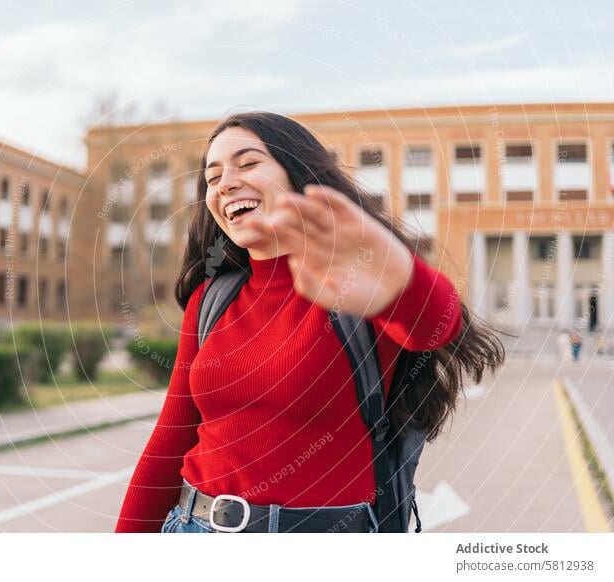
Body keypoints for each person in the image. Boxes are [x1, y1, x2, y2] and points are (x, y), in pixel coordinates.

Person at [114, 112, 504, 534]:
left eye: (247, 164)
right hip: (193, 529)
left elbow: (436, 326)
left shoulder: (354, 283)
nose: (225, 183)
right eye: (212, 177)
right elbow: (169, 443)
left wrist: (398, 276)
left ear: (297, 175)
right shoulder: (210, 300)